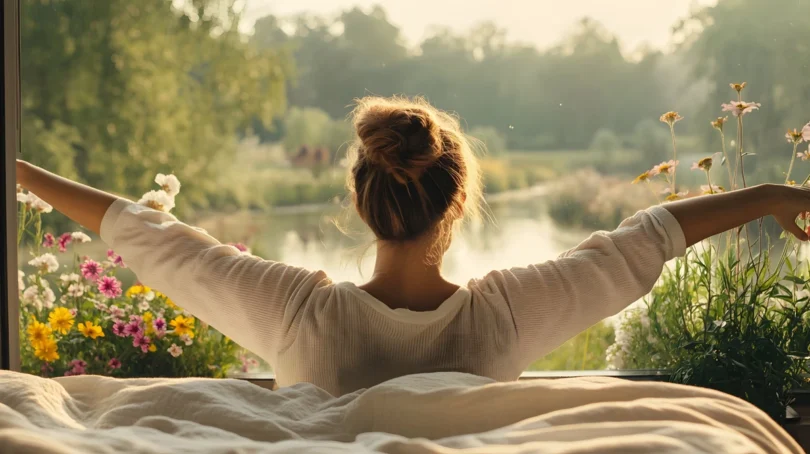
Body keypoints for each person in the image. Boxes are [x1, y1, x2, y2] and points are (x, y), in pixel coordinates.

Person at [15, 96, 810, 396]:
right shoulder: (503, 317)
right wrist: (772, 194)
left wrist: (16, 168)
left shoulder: (296, 313)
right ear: (457, 202)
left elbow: (152, 237)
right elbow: (645, 241)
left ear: (360, 201)